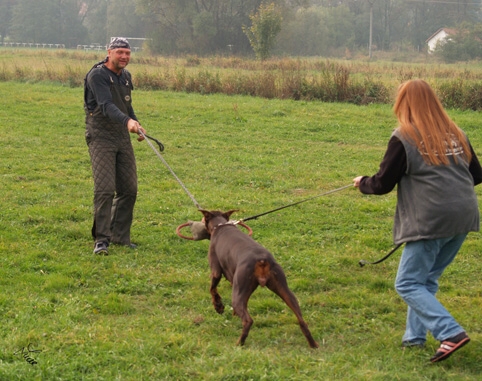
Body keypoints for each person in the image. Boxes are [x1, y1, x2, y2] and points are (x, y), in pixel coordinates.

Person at [353, 79, 482, 363]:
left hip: (431, 220)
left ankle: (450, 332)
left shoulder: (404, 136)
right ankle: (414, 338)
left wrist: (362, 183)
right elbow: (476, 174)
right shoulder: (456, 133)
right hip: (464, 215)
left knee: (408, 283)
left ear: (403, 104)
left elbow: (384, 182)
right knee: (426, 279)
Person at [84, 37, 146, 255]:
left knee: (129, 189)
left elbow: (126, 105)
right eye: (120, 52)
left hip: (122, 136)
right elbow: (106, 105)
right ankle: (101, 240)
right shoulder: (98, 75)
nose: (124, 57)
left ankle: (120, 236)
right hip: (100, 136)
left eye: (127, 53)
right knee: (105, 189)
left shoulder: (126, 76)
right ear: (109, 52)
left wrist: (136, 123)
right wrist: (127, 121)